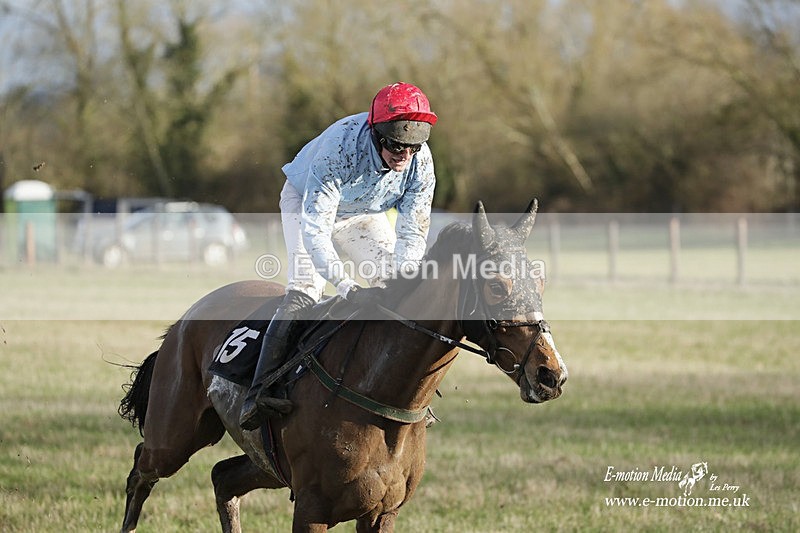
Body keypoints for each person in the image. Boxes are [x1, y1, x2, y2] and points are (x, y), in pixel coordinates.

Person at [240, 82, 438, 430]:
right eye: (395, 145)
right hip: (307, 204)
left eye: (412, 146)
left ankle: (405, 390)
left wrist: (403, 280)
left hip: (363, 213)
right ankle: (259, 392)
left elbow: (413, 232)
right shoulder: (340, 148)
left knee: (398, 287)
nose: (404, 155)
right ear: (376, 133)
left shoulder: (420, 162)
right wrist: (346, 286)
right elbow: (316, 231)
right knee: (306, 290)